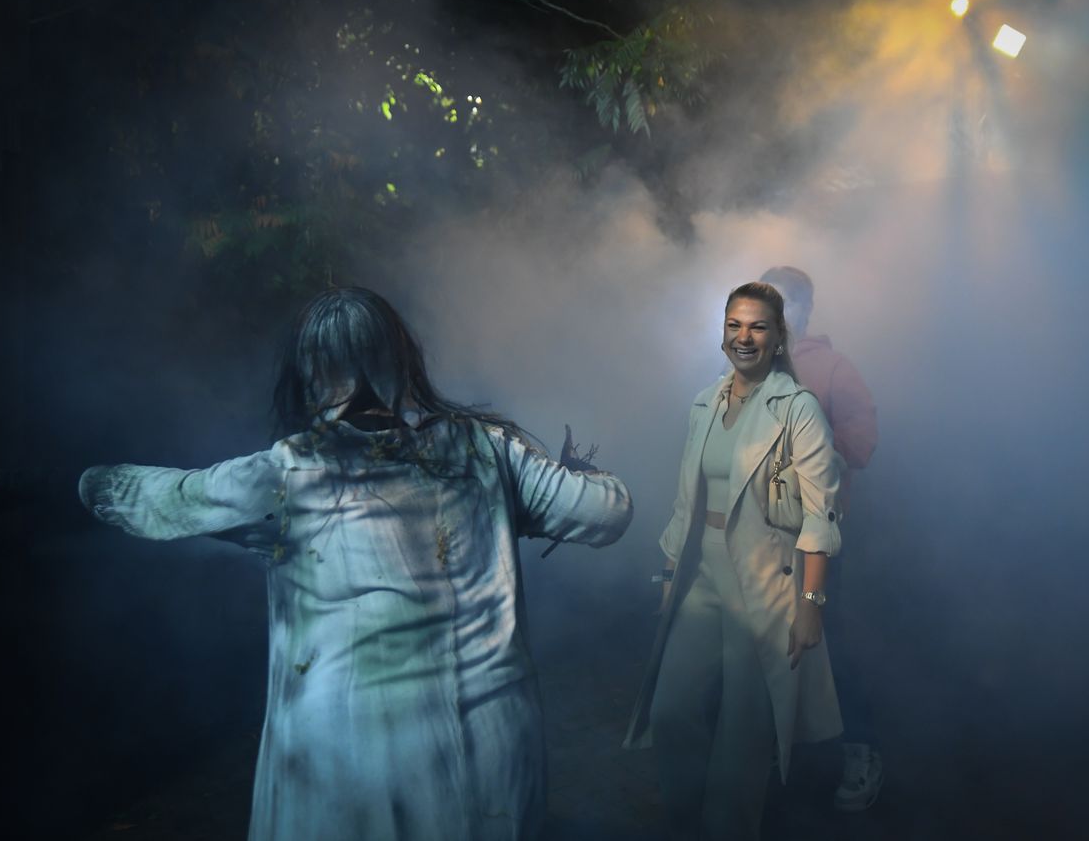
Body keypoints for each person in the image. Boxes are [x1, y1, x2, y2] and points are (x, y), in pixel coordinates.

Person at [78, 286, 633, 841]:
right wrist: (546, 487)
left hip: (348, 758)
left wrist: (84, 481)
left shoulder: (289, 471)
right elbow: (606, 511)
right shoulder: (486, 449)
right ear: (402, 355)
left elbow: (163, 499)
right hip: (489, 748)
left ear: (310, 368)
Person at [624, 282, 845, 840]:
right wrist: (670, 573)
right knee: (671, 711)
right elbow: (685, 501)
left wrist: (811, 604)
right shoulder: (705, 401)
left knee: (743, 734)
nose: (744, 337)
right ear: (723, 332)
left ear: (778, 337)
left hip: (764, 581)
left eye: (758, 327)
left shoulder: (797, 408)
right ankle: (686, 825)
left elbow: (821, 515)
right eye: (734, 325)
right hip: (701, 574)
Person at [760, 265, 880, 812]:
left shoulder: (833, 368)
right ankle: (774, 746)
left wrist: (811, 442)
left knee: (832, 644)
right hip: (761, 539)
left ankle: (861, 752)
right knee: (766, 642)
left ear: (804, 310)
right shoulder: (751, 367)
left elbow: (862, 442)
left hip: (817, 535)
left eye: (783, 303)